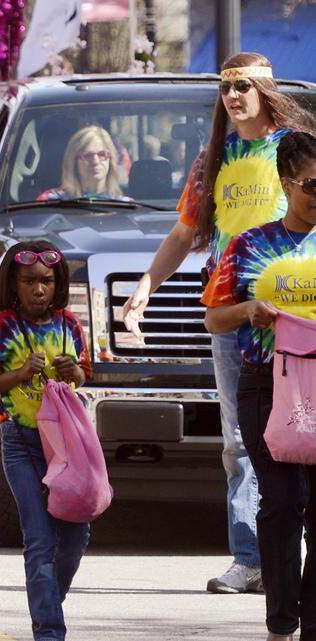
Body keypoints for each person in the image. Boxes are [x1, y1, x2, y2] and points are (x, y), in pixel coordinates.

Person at [123, 52, 316, 595]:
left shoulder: (296, 153)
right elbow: (184, 235)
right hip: (235, 315)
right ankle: (251, 557)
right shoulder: (214, 161)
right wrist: (144, 288)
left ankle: (293, 554)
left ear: (267, 90)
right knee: (239, 440)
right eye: (226, 86)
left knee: (306, 431)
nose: (233, 96)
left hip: (300, 314)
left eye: (244, 86)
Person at [202, 130, 316, 641]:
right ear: (289, 183)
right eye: (313, 184)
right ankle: (280, 624)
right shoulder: (252, 244)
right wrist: (249, 310)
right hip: (266, 388)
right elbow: (214, 318)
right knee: (280, 502)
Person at [0, 241, 92, 641]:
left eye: (46, 281)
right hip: (19, 441)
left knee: (76, 536)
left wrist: (73, 370)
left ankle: (47, 603)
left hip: (66, 445)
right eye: (29, 281)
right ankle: (49, 631)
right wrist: (21, 373)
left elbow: (83, 376)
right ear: (14, 284)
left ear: (57, 284)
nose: (39, 289)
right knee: (39, 538)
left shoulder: (69, 325)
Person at [36, 126, 128, 201]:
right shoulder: (48, 201)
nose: (96, 161)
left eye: (102, 154)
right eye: (87, 155)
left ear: (110, 159)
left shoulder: (126, 207)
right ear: (73, 162)